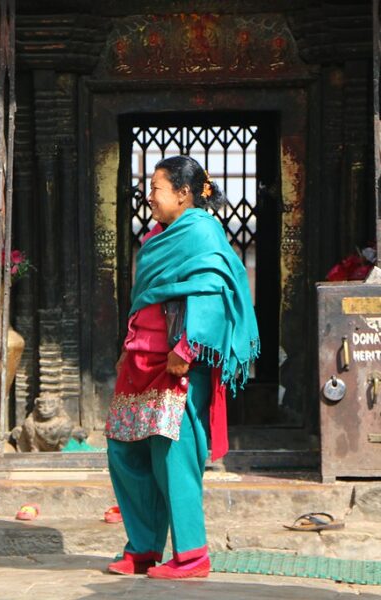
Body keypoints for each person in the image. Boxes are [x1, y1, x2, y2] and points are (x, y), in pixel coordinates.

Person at [105, 155, 259, 580]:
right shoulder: (159, 234)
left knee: (173, 455)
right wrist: (128, 344)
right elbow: (147, 298)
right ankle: (143, 548)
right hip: (140, 357)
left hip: (178, 363)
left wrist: (189, 347)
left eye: (156, 188)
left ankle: (191, 555)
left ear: (183, 193)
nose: (149, 196)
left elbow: (211, 288)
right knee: (125, 450)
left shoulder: (202, 231)